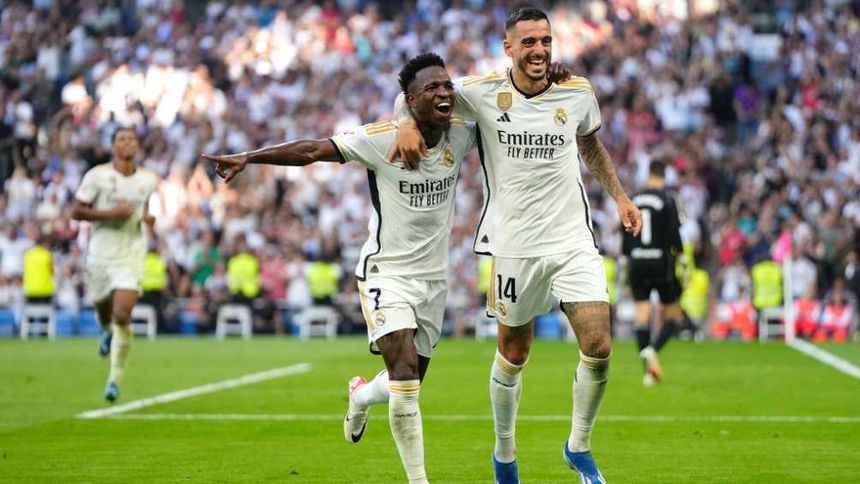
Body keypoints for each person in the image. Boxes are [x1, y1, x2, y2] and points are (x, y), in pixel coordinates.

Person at [393, 8, 641, 483]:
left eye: (545, 40)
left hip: (572, 240)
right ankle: (504, 454)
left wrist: (621, 197)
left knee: (599, 344)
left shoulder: (577, 91)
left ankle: (579, 447)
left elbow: (590, 144)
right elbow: (421, 95)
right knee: (514, 353)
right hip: (513, 246)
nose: (539, 49)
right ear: (508, 48)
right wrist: (404, 121)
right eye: (528, 42)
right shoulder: (481, 93)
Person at [203, 53, 476, 484]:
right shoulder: (380, 139)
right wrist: (249, 157)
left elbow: (510, 108)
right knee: (405, 380)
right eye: (432, 88)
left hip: (433, 279)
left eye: (447, 86)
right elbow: (312, 150)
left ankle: (362, 395)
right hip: (386, 273)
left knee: (407, 382)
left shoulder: (461, 132)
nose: (444, 92)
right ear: (410, 100)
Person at [72, 127, 158, 402]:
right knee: (103, 309)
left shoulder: (148, 180)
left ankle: (114, 379)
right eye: (121, 139)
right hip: (101, 252)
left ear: (137, 146)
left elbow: (146, 210)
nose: (127, 142)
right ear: (113, 147)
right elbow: (76, 211)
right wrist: (111, 213)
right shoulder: (96, 176)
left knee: (122, 314)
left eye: (132, 138)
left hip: (131, 252)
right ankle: (106, 331)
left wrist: (148, 218)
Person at [622, 160, 684, 386]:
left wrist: (628, 261)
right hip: (660, 261)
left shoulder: (634, 198)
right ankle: (653, 350)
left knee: (641, 318)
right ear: (664, 176)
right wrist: (681, 257)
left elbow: (625, 234)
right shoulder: (667, 199)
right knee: (675, 317)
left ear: (648, 175)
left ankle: (649, 373)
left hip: (636, 261)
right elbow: (674, 234)